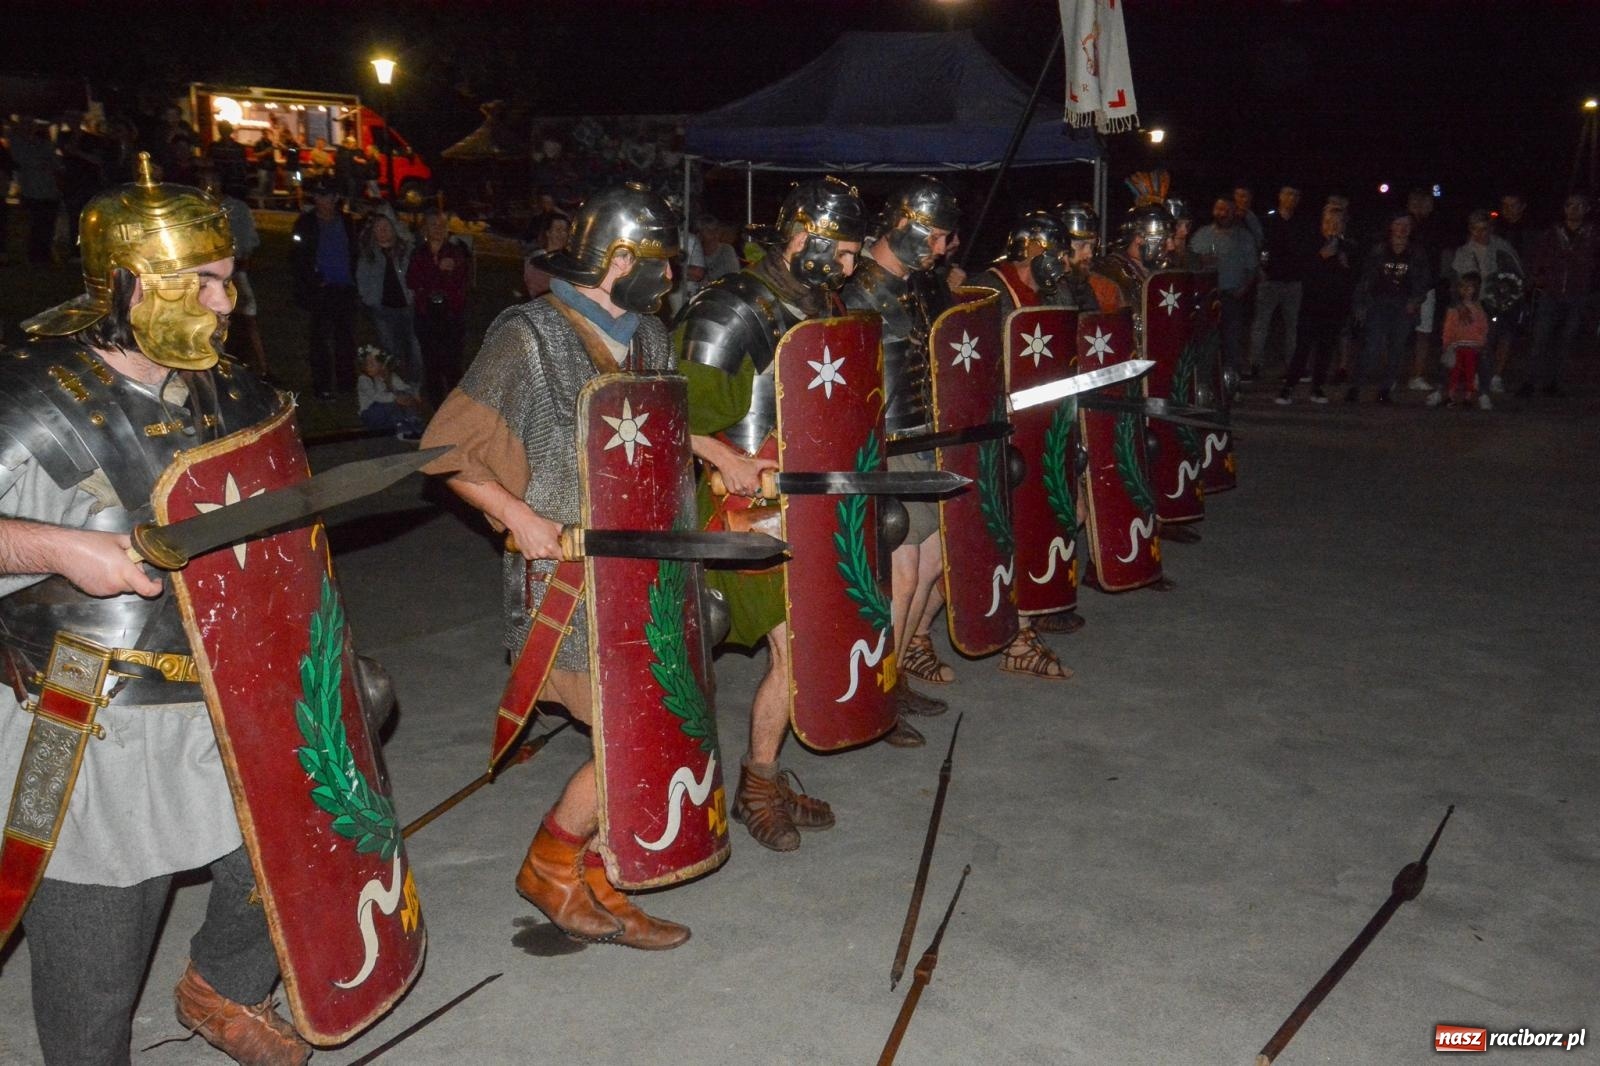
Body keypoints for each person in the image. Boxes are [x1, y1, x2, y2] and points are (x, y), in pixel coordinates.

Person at [0, 154, 309, 1065]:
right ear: (131, 285)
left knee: (318, 799)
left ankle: (220, 986)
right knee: (98, 960)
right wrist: (63, 548)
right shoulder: (30, 397)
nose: (228, 304)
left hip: (226, 684)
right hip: (95, 714)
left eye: (231, 278)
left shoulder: (230, 391)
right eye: (203, 282)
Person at [420, 183, 690, 948]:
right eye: (659, 264)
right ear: (619, 259)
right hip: (569, 583)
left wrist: (715, 454)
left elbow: (658, 440)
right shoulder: (531, 337)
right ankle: (553, 863)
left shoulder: (650, 340)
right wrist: (519, 516)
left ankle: (602, 874)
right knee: (628, 731)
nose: (670, 279)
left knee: (653, 721)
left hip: (647, 573)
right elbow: (446, 448)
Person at [679, 177, 868, 849]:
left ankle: (763, 775)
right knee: (792, 646)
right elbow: (670, 411)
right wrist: (719, 456)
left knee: (804, 644)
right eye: (840, 252)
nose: (848, 268)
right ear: (803, 239)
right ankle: (756, 783)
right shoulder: (731, 308)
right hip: (739, 503)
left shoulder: (821, 302)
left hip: (807, 496)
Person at [842, 177, 966, 747]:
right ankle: (874, 692)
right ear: (906, 224)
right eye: (936, 236)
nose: (942, 248)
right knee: (904, 573)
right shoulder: (850, 289)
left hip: (923, 435)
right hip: (882, 445)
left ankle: (893, 676)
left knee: (936, 560)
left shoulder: (919, 285)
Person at [1522, 194, 1597, 398]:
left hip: (1577, 295)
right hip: (1551, 293)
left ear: (1586, 209)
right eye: (1570, 205)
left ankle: (1554, 383)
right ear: (1564, 209)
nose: (1574, 210)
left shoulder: (1592, 235)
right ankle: (1530, 381)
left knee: (1566, 340)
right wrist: (1537, 278)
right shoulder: (1553, 233)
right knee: (1540, 337)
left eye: (1579, 206)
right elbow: (1539, 257)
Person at [1278, 207, 1355, 405]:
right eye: (1329, 221)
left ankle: (1317, 388)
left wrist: (1345, 264)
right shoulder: (1311, 241)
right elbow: (1301, 269)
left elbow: (1354, 276)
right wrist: (1321, 256)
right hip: (1311, 304)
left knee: (1326, 348)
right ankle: (1288, 387)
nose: (1333, 226)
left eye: (1337, 222)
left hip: (1335, 306)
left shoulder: (1348, 246)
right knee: (1303, 347)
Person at [290, 177, 359, 399]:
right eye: (318, 196)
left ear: (335, 197)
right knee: (319, 340)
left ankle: (346, 383)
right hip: (321, 290)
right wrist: (312, 280)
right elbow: (297, 257)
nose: (322, 200)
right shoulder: (305, 223)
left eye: (327, 195)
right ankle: (323, 385)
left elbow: (355, 251)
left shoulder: (347, 222)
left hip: (345, 288)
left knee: (345, 338)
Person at [1349, 214, 1428, 403]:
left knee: (1397, 349)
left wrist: (1415, 300)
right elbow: (1365, 279)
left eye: (1406, 225)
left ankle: (1385, 389)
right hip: (1378, 303)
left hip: (1403, 306)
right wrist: (1360, 305)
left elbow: (1424, 280)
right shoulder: (1379, 250)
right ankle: (1356, 386)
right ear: (1391, 227)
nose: (1402, 228)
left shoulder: (1417, 253)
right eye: (1398, 224)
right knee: (1372, 347)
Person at [200, 169, 270, 380]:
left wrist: (238, 259)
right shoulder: (197, 210)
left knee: (246, 318)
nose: (210, 185)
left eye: (213, 179)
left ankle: (262, 368)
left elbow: (248, 241)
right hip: (205, 276)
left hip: (235, 271)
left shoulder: (236, 208)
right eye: (205, 180)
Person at [1449, 209, 1524, 406]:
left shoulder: (1503, 246)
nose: (1480, 233)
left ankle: (1496, 376)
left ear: (1491, 228)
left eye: (1484, 229)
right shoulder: (1464, 251)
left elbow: (1516, 272)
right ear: (1470, 230)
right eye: (1475, 229)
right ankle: (1477, 375)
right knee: (1482, 342)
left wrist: (1510, 294)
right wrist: (1461, 304)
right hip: (1479, 303)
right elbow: (1457, 281)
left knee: (1504, 337)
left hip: (1503, 301)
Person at [407, 206, 471, 406]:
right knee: (431, 361)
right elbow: (413, 281)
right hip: (426, 316)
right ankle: (437, 404)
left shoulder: (456, 253)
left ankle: (457, 403)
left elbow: (460, 282)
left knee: (452, 363)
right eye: (433, 225)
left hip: (451, 315)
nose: (437, 229)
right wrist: (436, 270)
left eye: (442, 225)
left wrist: (443, 275)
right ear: (425, 229)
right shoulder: (419, 254)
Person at [1190, 195, 1259, 377]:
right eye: (1219, 209)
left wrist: (1243, 289)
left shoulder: (1244, 237)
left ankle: (1232, 384)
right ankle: (1206, 381)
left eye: (1227, 210)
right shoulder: (1202, 234)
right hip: (1205, 298)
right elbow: (1188, 263)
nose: (1222, 213)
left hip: (1231, 296)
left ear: (1234, 212)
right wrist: (1200, 261)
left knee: (1232, 341)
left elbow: (1252, 268)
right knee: (1205, 341)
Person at [1251, 185, 1315, 380]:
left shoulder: (1301, 223)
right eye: (1288, 194)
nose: (1292, 198)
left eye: (1296, 194)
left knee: (1294, 326)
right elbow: (1257, 246)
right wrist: (1260, 270)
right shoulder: (1268, 220)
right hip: (1270, 280)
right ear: (1280, 196)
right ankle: (1254, 365)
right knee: (1261, 324)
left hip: (1294, 282)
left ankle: (1293, 366)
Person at [356, 208, 421, 382]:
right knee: (390, 348)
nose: (383, 231)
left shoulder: (405, 251)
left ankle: (415, 384)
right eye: (378, 228)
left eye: (386, 226)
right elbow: (362, 280)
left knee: (414, 347)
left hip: (408, 307)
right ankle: (397, 383)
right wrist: (370, 300)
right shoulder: (369, 256)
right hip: (383, 310)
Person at [1426, 272, 1489, 408]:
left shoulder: (1478, 309)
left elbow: (1483, 327)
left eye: (1470, 287)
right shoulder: (1454, 309)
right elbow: (1448, 327)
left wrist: (1480, 342)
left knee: (1470, 373)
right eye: (1463, 287)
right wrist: (1447, 344)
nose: (1466, 290)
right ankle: (1450, 395)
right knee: (1453, 371)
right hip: (1456, 346)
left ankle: (1469, 397)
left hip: (1472, 346)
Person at [11, 118, 61, 266]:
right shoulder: (19, 144)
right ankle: (36, 255)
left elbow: (54, 163)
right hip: (32, 190)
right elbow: (25, 161)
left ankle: (44, 254)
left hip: (49, 190)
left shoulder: (43, 144)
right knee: (36, 224)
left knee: (47, 224)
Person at [356, 344, 426, 438]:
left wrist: (413, 394)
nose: (369, 366)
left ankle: (414, 425)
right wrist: (395, 398)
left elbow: (404, 387)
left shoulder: (390, 376)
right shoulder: (364, 379)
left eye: (373, 363)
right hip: (372, 414)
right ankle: (402, 430)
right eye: (367, 363)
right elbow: (376, 396)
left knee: (404, 395)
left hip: (388, 415)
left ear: (382, 365)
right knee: (391, 403)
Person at [521, 210, 570, 299]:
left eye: (565, 230)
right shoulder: (536, 260)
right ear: (548, 233)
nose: (562, 234)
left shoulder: (568, 259)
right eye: (558, 230)